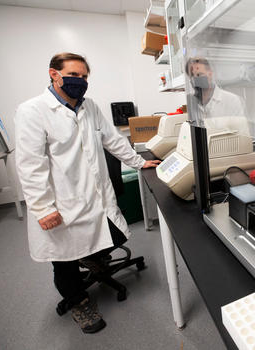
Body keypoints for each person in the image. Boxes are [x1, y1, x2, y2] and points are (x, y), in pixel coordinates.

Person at [14, 52, 160, 334]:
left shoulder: (89, 106)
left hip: (95, 197)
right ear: (54, 74)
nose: (79, 81)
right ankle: (78, 302)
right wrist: (43, 208)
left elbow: (113, 140)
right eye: (73, 75)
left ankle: (90, 257)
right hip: (61, 201)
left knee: (114, 234)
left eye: (84, 77)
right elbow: (30, 165)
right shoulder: (32, 111)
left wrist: (140, 162)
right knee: (65, 260)